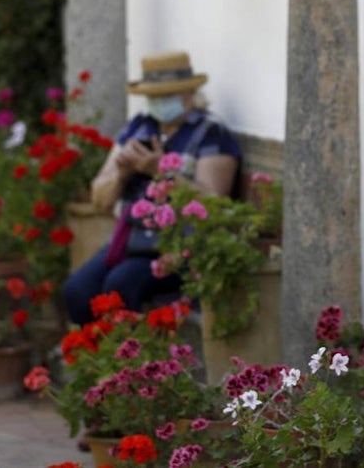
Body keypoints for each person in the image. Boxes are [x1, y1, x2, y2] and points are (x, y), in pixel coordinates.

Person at [62, 51, 241, 324]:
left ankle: (132, 351)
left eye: (167, 95)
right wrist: (121, 174)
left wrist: (162, 171)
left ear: (190, 93)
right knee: (77, 290)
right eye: (154, 96)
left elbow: (213, 203)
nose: (160, 103)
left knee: (120, 284)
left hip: (180, 248)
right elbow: (100, 200)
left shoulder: (212, 134)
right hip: (131, 241)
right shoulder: (138, 128)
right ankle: (96, 350)